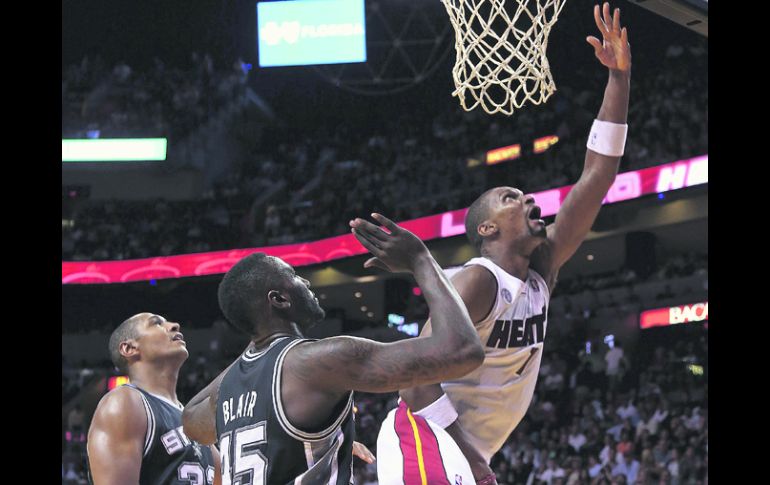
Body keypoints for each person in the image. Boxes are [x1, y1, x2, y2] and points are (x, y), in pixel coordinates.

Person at [367, 3, 633, 482]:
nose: (528, 198)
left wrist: (618, 79)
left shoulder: (541, 272)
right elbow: (412, 381)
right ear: (486, 229)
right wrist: (469, 456)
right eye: (511, 198)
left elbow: (598, 175)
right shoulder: (477, 281)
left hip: (461, 450)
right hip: (423, 436)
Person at [181, 213, 485, 484]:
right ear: (279, 300)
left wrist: (254, 351)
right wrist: (421, 260)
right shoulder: (318, 361)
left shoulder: (229, 388)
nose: (307, 283)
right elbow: (462, 350)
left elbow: (191, 422)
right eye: (296, 276)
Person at [87, 313, 221, 484]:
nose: (175, 325)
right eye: (156, 323)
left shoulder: (191, 420)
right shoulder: (125, 403)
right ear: (129, 348)